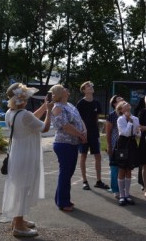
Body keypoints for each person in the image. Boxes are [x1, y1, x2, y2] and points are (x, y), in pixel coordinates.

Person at [2, 83, 52, 237]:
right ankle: (18, 226)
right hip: (27, 156)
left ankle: (18, 220)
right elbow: (44, 127)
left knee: (20, 188)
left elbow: (31, 119)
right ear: (22, 99)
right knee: (23, 189)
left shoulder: (10, 113)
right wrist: (49, 111)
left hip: (17, 154)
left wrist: (44, 106)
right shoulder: (24, 115)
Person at [50, 84, 87, 212]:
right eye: (64, 88)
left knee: (68, 173)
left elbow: (80, 120)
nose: (67, 89)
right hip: (63, 144)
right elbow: (65, 126)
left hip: (73, 143)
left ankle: (61, 198)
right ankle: (63, 202)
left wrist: (84, 131)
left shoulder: (70, 105)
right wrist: (80, 135)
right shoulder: (58, 108)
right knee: (65, 173)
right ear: (60, 92)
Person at [76, 81, 109, 191]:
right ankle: (85, 181)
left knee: (98, 155)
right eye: (88, 86)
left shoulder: (96, 103)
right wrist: (81, 133)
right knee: (83, 156)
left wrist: (98, 130)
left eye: (91, 86)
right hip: (83, 133)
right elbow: (77, 120)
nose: (91, 87)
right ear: (84, 90)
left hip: (94, 133)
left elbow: (96, 118)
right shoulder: (80, 103)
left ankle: (98, 181)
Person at [115, 101, 140, 206]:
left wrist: (138, 132)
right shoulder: (120, 119)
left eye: (127, 103)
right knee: (122, 169)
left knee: (129, 169)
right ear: (121, 110)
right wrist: (129, 122)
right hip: (122, 144)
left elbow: (137, 132)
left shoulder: (136, 118)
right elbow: (124, 133)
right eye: (124, 104)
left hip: (132, 144)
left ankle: (127, 194)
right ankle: (121, 195)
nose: (127, 104)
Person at [105, 95, 125, 199]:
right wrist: (109, 146)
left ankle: (122, 189)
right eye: (119, 99)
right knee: (114, 168)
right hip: (114, 145)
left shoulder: (127, 114)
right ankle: (115, 189)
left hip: (125, 146)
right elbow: (108, 133)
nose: (122, 100)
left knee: (124, 167)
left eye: (122, 99)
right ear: (114, 104)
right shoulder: (112, 115)